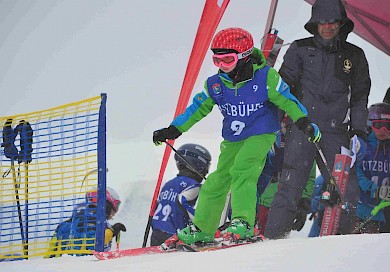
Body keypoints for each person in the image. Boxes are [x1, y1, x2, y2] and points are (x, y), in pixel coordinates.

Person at [153, 27, 321, 244]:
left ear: (244, 56)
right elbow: (197, 108)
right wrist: (174, 129)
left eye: (228, 60)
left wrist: (304, 121)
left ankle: (242, 223)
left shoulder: (266, 78)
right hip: (233, 137)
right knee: (217, 180)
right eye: (217, 61)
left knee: (243, 169)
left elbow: (287, 100)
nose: (222, 67)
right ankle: (203, 229)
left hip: (261, 133)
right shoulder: (215, 84)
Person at [265, 0, 371, 239]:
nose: (327, 27)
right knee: (290, 187)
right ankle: (273, 239)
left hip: (337, 133)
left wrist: (359, 132)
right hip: (302, 129)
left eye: (332, 21)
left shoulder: (354, 56)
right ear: (314, 24)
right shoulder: (300, 50)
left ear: (341, 24)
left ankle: (343, 244)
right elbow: (283, 89)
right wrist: (273, 123)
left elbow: (359, 97)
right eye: (321, 22)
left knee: (347, 190)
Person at [150, 143, 212, 246]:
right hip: (175, 235)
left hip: (157, 233)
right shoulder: (194, 185)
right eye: (206, 167)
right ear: (197, 165)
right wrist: (203, 225)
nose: (206, 172)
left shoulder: (168, 184)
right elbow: (182, 201)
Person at [354, 103, 390, 233]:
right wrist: (374, 190)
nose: (383, 130)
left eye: (388, 126)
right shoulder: (363, 146)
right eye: (378, 126)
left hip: (379, 212)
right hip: (358, 208)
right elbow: (356, 173)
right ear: (370, 125)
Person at [46, 187, 126, 257]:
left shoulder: (68, 223)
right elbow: (91, 246)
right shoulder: (92, 221)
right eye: (115, 207)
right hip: (79, 267)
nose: (114, 213)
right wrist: (111, 232)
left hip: (59, 266)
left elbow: (50, 252)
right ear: (106, 204)